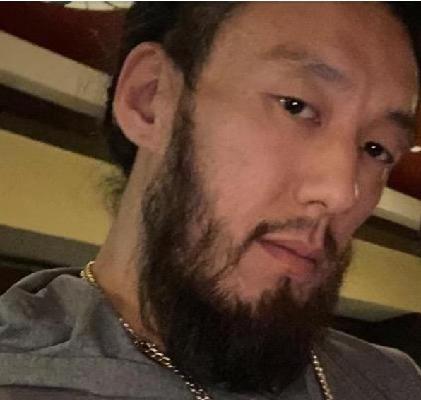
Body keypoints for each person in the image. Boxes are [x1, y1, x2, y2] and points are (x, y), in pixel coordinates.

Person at [0, 2, 420, 399]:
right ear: (150, 97)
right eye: (296, 106)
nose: (342, 193)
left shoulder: (391, 381)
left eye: (377, 149)